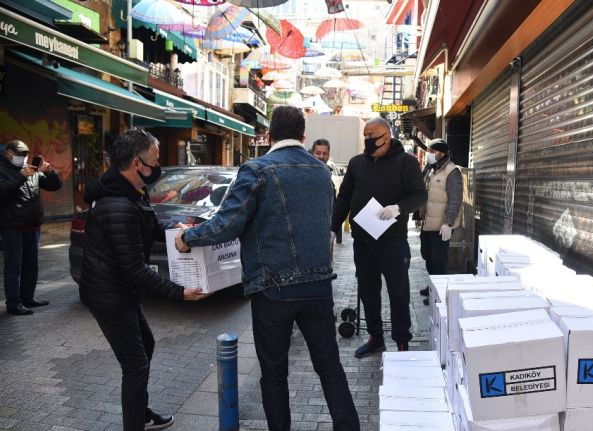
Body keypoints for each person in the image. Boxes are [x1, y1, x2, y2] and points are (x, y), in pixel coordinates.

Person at [175, 106, 359, 431]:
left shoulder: (257, 170)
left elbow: (227, 224)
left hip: (273, 289)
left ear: (270, 135)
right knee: (329, 366)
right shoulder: (320, 172)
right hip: (318, 287)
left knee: (274, 373)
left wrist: (188, 237)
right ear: (302, 136)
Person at [78, 129, 205, 431]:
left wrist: (176, 228)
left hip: (122, 291)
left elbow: (146, 225)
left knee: (145, 344)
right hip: (109, 296)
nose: (158, 165)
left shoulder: (131, 191)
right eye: (155, 160)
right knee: (135, 365)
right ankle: (135, 423)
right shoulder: (118, 205)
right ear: (137, 163)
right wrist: (179, 293)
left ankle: (140, 411)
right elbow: (134, 269)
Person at [331, 117, 427, 358]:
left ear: (387, 136)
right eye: (365, 136)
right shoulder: (357, 163)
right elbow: (343, 198)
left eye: (372, 137)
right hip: (363, 241)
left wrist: (399, 207)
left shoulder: (407, 163)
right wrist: (332, 228)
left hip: (392, 241)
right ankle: (376, 337)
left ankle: (402, 342)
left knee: (398, 291)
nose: (368, 141)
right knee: (368, 291)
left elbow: (419, 195)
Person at [0, 139, 61, 315]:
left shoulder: (32, 170)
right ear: (9, 154)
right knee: (13, 267)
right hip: (11, 225)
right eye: (19, 154)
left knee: (31, 265)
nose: (23, 158)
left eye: (25, 154)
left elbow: (54, 186)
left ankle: (28, 298)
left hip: (32, 225)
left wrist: (50, 172)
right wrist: (22, 176)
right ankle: (13, 304)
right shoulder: (3, 169)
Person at [418, 139, 463, 305]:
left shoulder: (452, 172)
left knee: (439, 261)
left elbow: (455, 199)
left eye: (432, 151)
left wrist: (448, 223)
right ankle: (432, 286)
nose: (429, 154)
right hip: (429, 223)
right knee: (427, 256)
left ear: (441, 153)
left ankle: (438, 294)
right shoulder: (432, 169)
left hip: (441, 225)